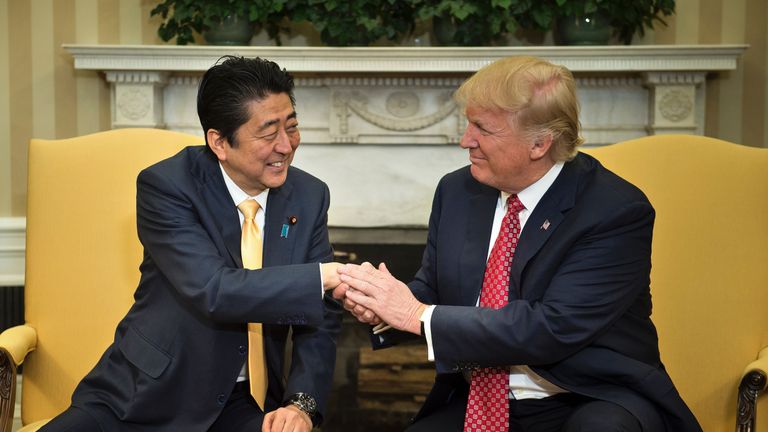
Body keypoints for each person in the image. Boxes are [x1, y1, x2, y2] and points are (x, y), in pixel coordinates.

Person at [334, 56, 702, 432]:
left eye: (483, 129)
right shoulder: (458, 190)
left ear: (540, 144)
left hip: (587, 395)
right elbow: (432, 288)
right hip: (477, 399)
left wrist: (415, 315)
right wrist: (380, 307)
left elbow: (551, 328)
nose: (465, 141)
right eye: (468, 123)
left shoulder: (614, 211)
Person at [41, 56, 343, 432]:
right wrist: (322, 277)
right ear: (219, 142)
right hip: (144, 395)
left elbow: (321, 318)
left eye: (292, 127)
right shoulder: (167, 187)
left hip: (240, 403)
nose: (286, 145)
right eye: (268, 133)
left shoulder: (309, 196)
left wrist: (301, 405)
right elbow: (213, 289)